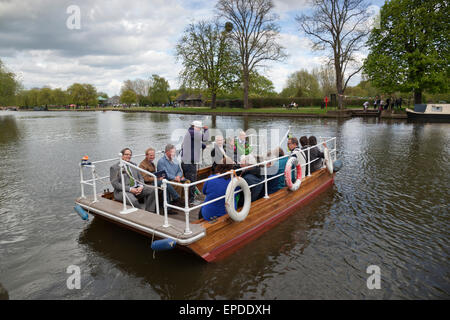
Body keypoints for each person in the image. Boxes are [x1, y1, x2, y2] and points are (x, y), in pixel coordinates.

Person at [110, 148, 156, 212]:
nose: (129, 156)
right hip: (123, 191)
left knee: (153, 190)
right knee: (133, 200)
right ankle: (141, 213)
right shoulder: (115, 167)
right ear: (122, 155)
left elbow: (141, 178)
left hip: (137, 188)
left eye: (130, 155)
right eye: (126, 154)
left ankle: (150, 211)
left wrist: (141, 186)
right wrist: (130, 189)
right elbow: (115, 184)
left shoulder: (133, 164)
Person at [181, 120, 209, 203]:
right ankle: (191, 200)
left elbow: (197, 143)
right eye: (199, 128)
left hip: (187, 162)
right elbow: (205, 138)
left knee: (189, 181)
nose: (200, 130)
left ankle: (189, 199)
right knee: (191, 181)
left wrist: (203, 146)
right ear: (195, 127)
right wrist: (206, 130)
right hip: (189, 163)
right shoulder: (192, 132)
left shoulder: (190, 133)